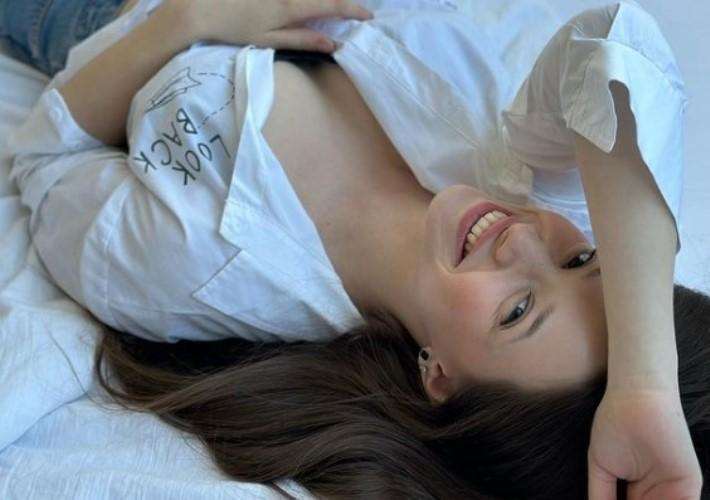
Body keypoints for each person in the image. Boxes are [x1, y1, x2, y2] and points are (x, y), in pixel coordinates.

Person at [1, 0, 704, 498]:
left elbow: (44, 162)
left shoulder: (202, 264)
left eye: (517, 311)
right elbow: (618, 53)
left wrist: (191, 17)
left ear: (439, 376)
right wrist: (645, 383)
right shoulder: (518, 170)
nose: (524, 239)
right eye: (583, 261)